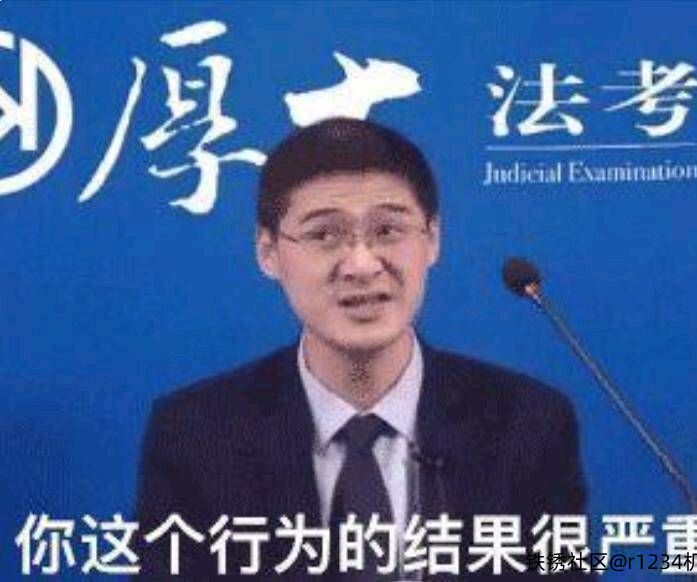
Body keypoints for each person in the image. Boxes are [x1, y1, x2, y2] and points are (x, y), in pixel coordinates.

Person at [135, 117, 589, 580]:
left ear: (432, 238)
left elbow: (568, 571)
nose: (361, 264)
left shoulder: (528, 422)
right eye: (324, 235)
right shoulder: (197, 433)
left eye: (388, 230)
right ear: (268, 251)